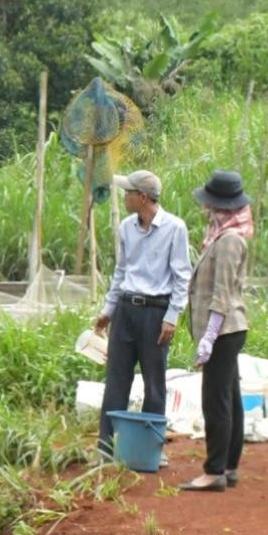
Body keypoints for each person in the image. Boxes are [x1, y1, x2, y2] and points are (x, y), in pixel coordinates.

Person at [93, 169, 192, 460]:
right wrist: (108, 311)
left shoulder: (175, 228)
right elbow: (121, 271)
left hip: (156, 313)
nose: (124, 198)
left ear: (143, 197)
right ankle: (106, 447)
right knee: (116, 380)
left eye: (128, 193)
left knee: (154, 381)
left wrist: (172, 316)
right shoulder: (126, 227)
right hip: (126, 309)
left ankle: (151, 448)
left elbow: (181, 276)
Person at [183, 170, 253, 492]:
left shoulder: (228, 242)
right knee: (229, 398)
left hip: (224, 329)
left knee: (216, 400)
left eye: (209, 203)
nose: (205, 208)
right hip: (228, 329)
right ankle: (229, 465)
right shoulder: (223, 236)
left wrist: (209, 336)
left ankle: (214, 472)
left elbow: (221, 294)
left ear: (218, 206)